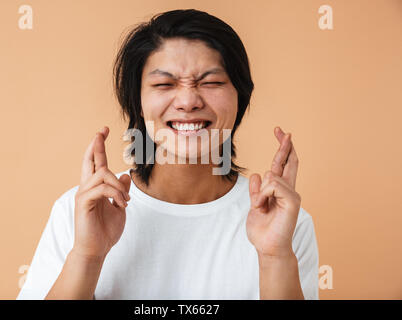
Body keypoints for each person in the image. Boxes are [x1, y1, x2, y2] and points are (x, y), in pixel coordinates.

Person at [17, 9, 319, 300]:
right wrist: (87, 255)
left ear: (240, 97)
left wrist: (274, 257)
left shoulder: (286, 222)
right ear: (136, 102)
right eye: (164, 84)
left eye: (212, 82)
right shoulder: (81, 213)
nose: (188, 101)